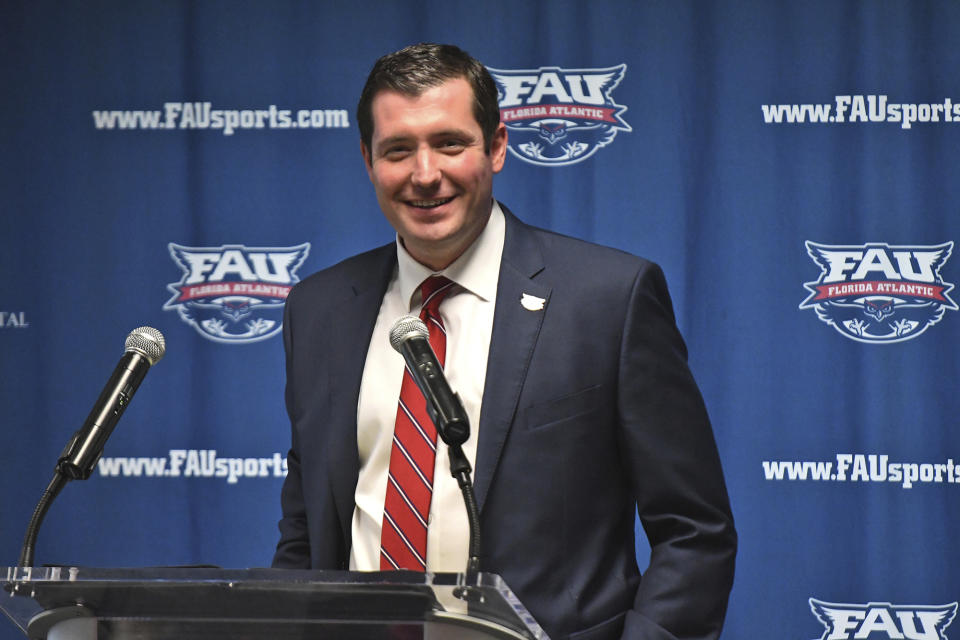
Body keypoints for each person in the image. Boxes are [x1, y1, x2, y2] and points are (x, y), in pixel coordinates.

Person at [272, 43, 736, 640]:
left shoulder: (608, 300)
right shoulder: (319, 311)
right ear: (368, 160)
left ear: (495, 147)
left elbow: (694, 532)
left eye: (449, 143)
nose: (424, 174)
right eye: (397, 150)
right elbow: (308, 531)